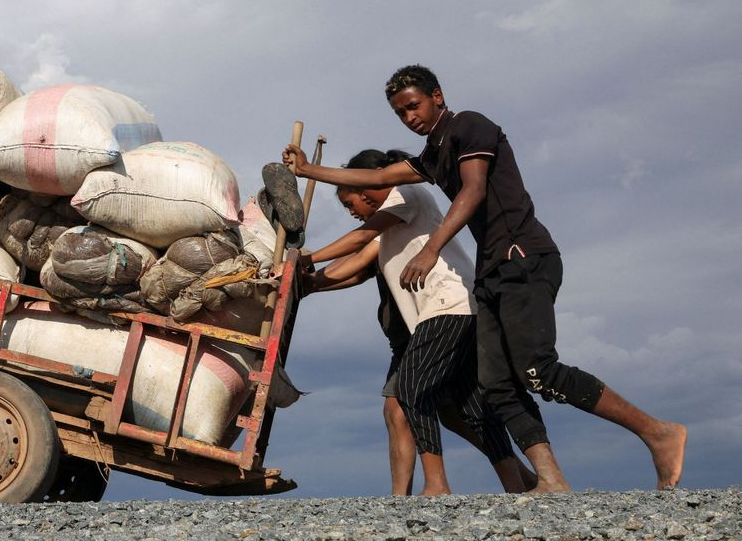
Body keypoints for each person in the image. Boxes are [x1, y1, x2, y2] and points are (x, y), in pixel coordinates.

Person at [285, 66, 686, 491]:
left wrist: (432, 246)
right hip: (492, 272)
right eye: (401, 113)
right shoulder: (434, 154)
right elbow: (380, 177)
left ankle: (657, 432)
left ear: (437, 96)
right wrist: (310, 171)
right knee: (496, 385)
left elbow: (472, 189)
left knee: (538, 370)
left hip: (525, 256)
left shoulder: (470, 126)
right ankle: (549, 481)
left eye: (414, 106)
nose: (409, 117)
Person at [303, 149, 530, 495]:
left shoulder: (405, 194)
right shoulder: (390, 224)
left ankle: (436, 485)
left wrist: (304, 257)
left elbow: (361, 238)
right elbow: (358, 262)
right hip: (449, 311)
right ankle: (516, 484)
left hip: (446, 306)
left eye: (353, 203)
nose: (355, 212)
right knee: (470, 407)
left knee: (410, 391)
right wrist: (308, 283)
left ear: (368, 187)